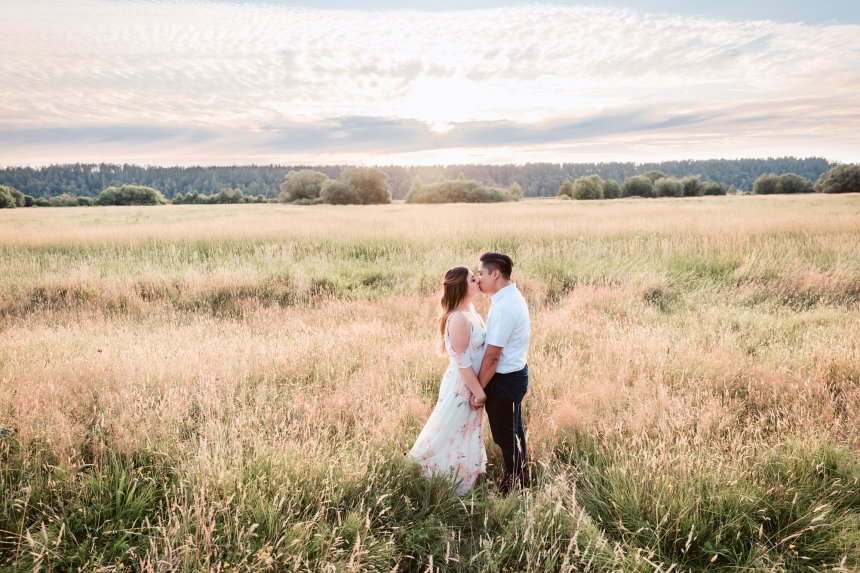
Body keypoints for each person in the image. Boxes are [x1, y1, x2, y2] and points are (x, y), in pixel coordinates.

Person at [407, 266, 487, 495]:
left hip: (472, 384)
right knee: (448, 431)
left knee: (466, 432)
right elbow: (462, 362)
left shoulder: (474, 313)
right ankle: (431, 481)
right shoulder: (458, 319)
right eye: (473, 279)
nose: (478, 280)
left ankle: (461, 484)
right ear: (463, 286)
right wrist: (478, 392)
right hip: (462, 386)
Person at [472, 252, 531, 494]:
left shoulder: (505, 307)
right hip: (515, 375)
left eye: (481, 274)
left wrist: (479, 390)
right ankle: (520, 477)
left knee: (505, 437)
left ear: (495, 274)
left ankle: (515, 486)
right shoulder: (509, 298)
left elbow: (493, 356)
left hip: (505, 381)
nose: (478, 279)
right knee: (514, 431)